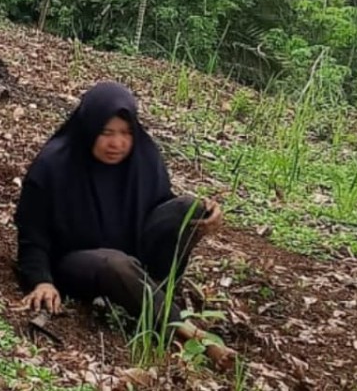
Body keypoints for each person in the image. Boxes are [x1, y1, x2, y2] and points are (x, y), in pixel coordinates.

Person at [13, 81, 236, 369]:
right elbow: (32, 233)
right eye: (106, 133)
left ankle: (149, 294)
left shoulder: (143, 157)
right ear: (89, 128)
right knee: (114, 264)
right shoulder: (53, 165)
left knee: (187, 206)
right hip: (78, 263)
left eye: (125, 133)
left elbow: (160, 208)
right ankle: (189, 333)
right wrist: (41, 280)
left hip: (137, 260)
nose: (117, 143)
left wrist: (205, 212)